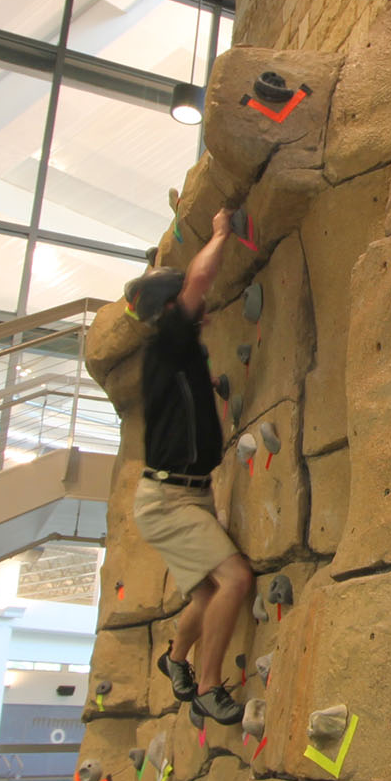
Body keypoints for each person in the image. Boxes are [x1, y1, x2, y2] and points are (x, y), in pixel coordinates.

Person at [126, 210, 253, 726]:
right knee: (235, 580)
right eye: (184, 301)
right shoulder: (169, 341)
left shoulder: (174, 351)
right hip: (170, 499)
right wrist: (220, 232)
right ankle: (208, 686)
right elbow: (199, 281)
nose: (199, 306)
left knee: (205, 592)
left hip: (183, 495)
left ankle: (175, 659)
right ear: (170, 307)